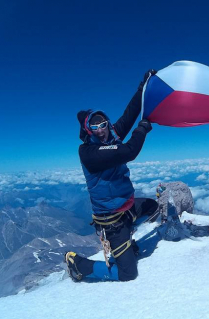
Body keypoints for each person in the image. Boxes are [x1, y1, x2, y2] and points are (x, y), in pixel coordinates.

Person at [65, 70, 160, 282]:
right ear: (88, 131)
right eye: (94, 126)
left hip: (126, 208)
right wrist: (142, 129)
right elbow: (129, 152)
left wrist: (142, 87)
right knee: (127, 274)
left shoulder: (111, 137)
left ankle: (128, 241)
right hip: (111, 220)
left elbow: (130, 112)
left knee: (153, 208)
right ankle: (79, 265)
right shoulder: (89, 153)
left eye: (103, 124)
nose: (101, 130)